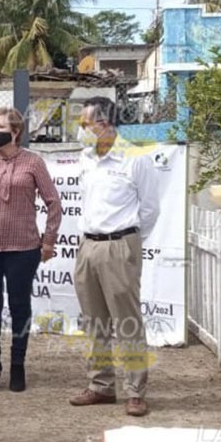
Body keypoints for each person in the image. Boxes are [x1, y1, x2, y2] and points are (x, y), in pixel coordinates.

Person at [67, 97, 161, 417]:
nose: (81, 131)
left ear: (104, 124)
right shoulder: (86, 158)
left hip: (120, 245)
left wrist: (128, 242)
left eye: (85, 124)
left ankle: (136, 391)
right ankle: (101, 386)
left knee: (127, 321)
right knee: (94, 321)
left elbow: (150, 209)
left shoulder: (134, 159)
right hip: (88, 245)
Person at [0, 107, 62, 393]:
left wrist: (49, 240)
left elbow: (53, 202)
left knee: (19, 306)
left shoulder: (33, 163)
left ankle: (18, 366)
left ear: (16, 132)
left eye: (2, 125)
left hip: (23, 248)